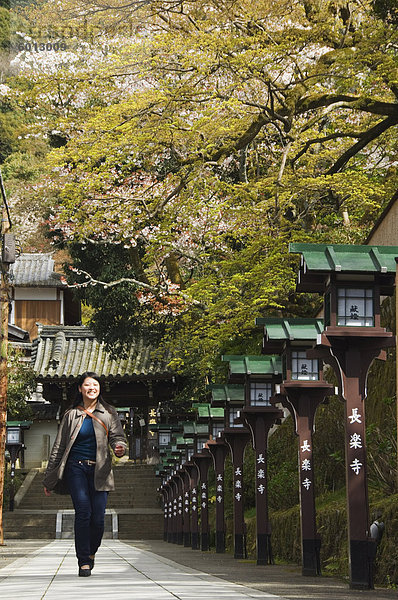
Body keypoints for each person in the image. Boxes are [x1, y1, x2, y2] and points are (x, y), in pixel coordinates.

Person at [43, 371, 127, 577]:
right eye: (88, 385)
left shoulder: (109, 413)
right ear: (80, 388)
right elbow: (58, 447)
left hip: (101, 470)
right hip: (75, 468)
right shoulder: (71, 415)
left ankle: (90, 553)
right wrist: (49, 478)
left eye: (95, 385)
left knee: (98, 519)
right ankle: (83, 561)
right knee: (83, 512)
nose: (92, 388)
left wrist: (119, 447)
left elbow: (118, 437)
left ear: (99, 389)